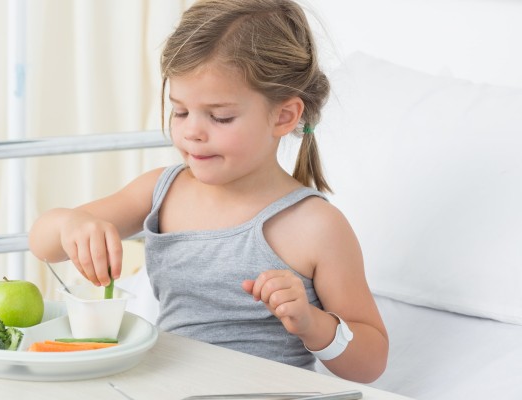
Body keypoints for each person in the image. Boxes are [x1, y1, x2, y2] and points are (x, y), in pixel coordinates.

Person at [29, 0, 387, 383]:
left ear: (284, 116)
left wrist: (313, 324)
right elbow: (43, 244)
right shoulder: (162, 191)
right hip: (166, 388)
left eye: (220, 117)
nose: (191, 132)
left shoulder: (315, 225)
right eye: (180, 111)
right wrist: (72, 224)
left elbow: (370, 362)